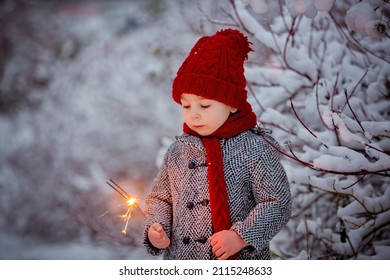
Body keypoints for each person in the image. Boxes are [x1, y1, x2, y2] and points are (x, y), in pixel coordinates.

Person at [143, 29, 291, 260]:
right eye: (186, 106)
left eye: (204, 106)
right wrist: (156, 225)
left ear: (231, 104)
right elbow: (161, 198)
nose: (194, 115)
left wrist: (241, 236)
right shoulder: (178, 152)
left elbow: (276, 202)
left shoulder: (254, 148)